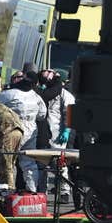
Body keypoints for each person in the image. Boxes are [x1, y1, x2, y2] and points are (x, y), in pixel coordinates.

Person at [0, 71, 47, 193]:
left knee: (8, 161)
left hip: (14, 130)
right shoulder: (36, 96)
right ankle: (32, 189)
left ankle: (6, 192)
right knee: (29, 163)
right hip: (31, 130)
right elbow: (42, 114)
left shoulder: (10, 94)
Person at [37, 69, 75, 202]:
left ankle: (64, 192)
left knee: (60, 163)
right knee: (42, 163)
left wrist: (67, 130)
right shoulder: (46, 93)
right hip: (44, 133)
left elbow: (70, 112)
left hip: (58, 134)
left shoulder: (65, 95)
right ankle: (42, 192)